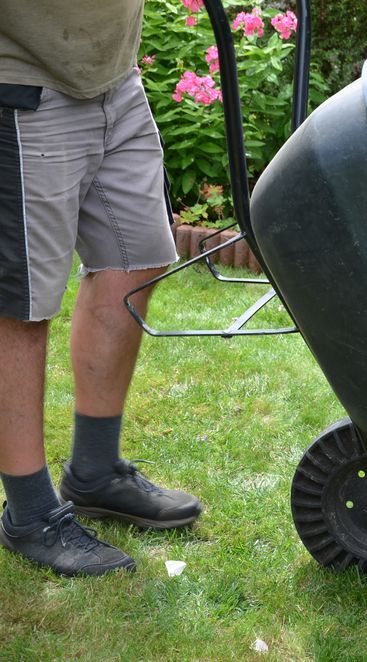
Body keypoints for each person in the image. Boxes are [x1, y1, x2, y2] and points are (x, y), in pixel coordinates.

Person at [0, 1, 202, 576]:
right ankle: (30, 511)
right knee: (20, 306)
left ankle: (94, 469)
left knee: (134, 260)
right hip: (21, 83)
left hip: (115, 78)